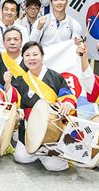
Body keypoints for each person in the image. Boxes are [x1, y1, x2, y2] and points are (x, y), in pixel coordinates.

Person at [10, 41, 76, 171]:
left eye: (35, 54)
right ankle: (41, 153)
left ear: (42, 56)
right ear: (23, 58)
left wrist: (67, 103)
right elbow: (14, 100)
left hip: (53, 127)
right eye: (27, 55)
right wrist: (7, 84)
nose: (31, 58)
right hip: (30, 127)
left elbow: (66, 94)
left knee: (55, 167)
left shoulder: (55, 77)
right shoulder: (20, 80)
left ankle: (47, 153)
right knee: (21, 157)